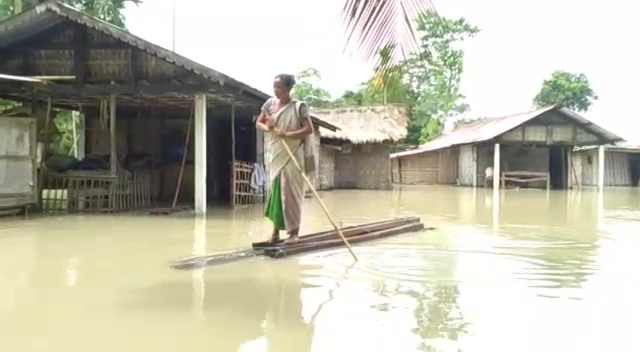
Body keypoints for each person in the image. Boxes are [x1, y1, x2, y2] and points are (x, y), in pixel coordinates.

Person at [256, 74, 316, 244]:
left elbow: (308, 129)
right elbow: (258, 123)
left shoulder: (298, 107)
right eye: (274, 87)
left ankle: (294, 233)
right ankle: (275, 233)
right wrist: (269, 128)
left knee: (291, 194)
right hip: (277, 153)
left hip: (293, 154)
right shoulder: (269, 104)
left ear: (288, 89)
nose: (276, 90)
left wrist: (287, 134)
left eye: (279, 87)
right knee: (276, 193)